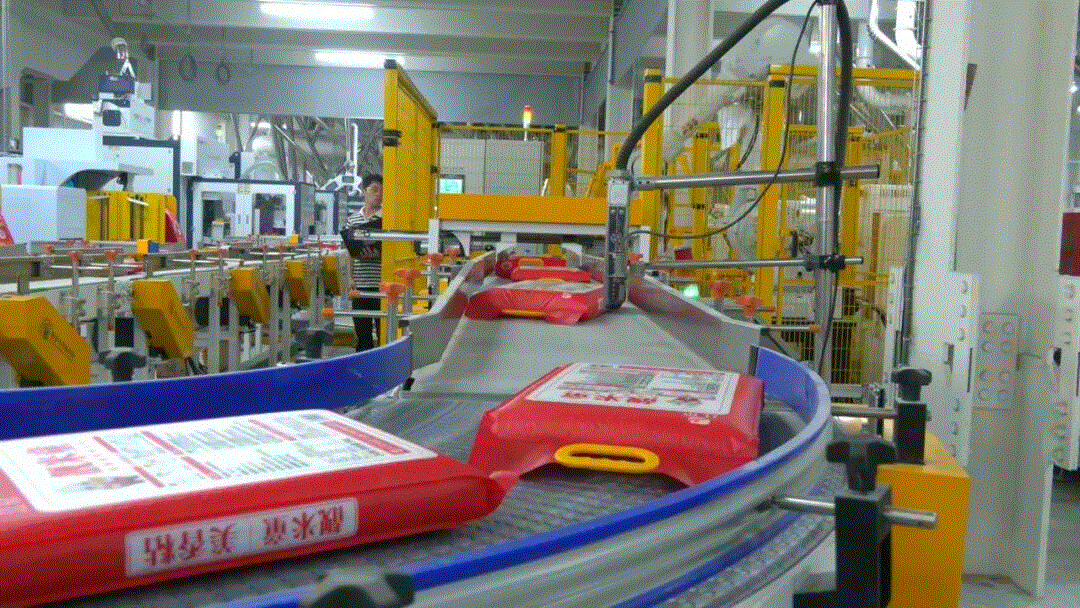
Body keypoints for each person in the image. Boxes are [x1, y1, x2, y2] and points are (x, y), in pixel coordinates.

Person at [341, 174, 383, 351]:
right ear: (364, 191)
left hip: (381, 285)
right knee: (362, 333)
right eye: (374, 190)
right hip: (360, 285)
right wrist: (350, 278)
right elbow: (348, 252)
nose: (379, 194)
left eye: (382, 191)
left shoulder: (387, 220)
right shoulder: (353, 220)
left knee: (383, 333)